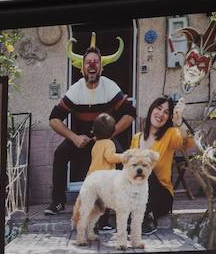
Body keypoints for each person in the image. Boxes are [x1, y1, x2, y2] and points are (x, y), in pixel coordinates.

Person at [43, 37, 135, 216]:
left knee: (119, 157)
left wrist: (110, 133)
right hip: (81, 137)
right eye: (88, 62)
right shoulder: (75, 90)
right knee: (60, 154)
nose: (92, 65)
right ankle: (58, 202)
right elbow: (53, 119)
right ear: (82, 67)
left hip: (105, 137)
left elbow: (130, 113)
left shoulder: (110, 86)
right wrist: (74, 137)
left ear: (101, 67)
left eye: (96, 62)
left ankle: (120, 202)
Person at [132, 96, 196, 234]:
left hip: (161, 197)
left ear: (169, 118)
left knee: (145, 169)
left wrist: (179, 122)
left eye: (166, 112)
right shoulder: (136, 138)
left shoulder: (170, 134)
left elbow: (189, 143)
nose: (161, 114)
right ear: (151, 109)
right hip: (138, 195)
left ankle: (147, 218)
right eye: (159, 108)